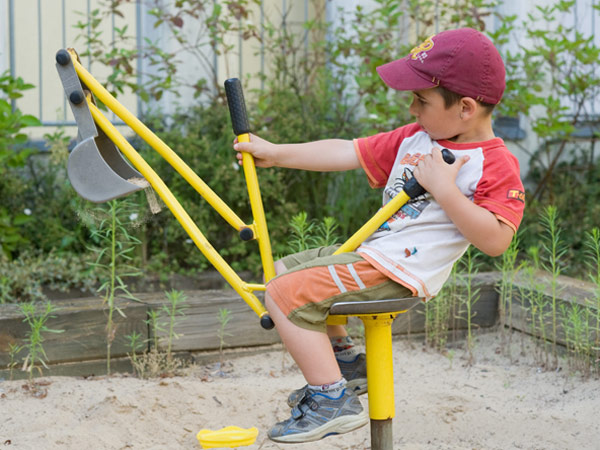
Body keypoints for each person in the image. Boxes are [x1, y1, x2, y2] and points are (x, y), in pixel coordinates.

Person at [233, 27, 525, 443]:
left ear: (464, 108)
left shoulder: (492, 164)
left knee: (283, 292)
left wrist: (444, 189)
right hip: (376, 256)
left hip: (400, 271)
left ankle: (330, 399)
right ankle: (346, 362)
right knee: (282, 269)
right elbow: (349, 151)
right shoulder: (418, 137)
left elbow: (495, 240)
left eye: (421, 100)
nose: (411, 108)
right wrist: (276, 153)